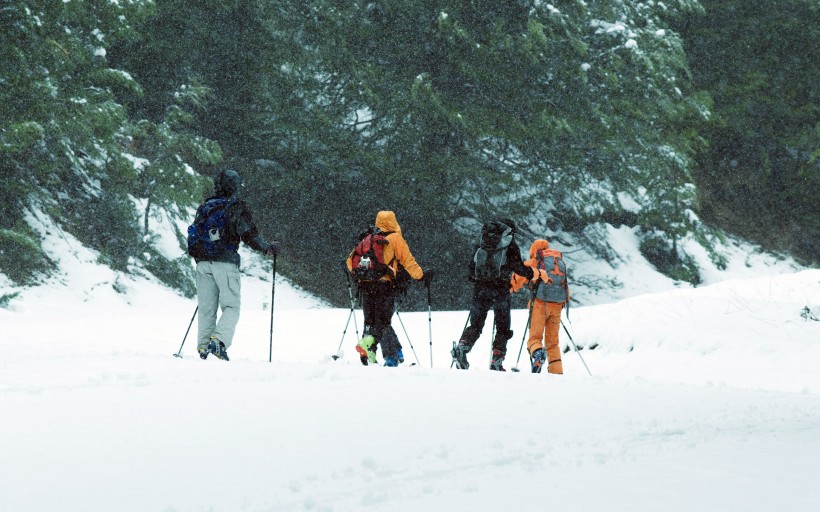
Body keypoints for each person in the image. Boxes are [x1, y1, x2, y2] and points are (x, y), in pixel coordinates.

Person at [190, 169, 279, 361]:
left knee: (207, 308)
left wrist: (202, 256)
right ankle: (219, 342)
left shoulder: (205, 207)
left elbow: (195, 235)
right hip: (226, 262)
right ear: (235, 186)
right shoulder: (236, 207)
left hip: (203, 264)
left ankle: (204, 347)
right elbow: (249, 235)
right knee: (231, 307)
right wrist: (267, 248)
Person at [346, 210, 430, 367]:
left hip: (365, 285)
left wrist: (363, 274)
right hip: (384, 286)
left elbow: (350, 262)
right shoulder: (395, 238)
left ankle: (381, 351)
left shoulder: (368, 238)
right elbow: (408, 261)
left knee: (371, 320)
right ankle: (371, 344)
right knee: (383, 320)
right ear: (394, 221)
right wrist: (421, 276)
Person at [451, 219, 533, 371]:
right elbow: (518, 267)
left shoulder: (482, 242)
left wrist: (480, 279)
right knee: (502, 328)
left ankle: (463, 346)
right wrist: (531, 273)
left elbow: (471, 270)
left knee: (476, 325)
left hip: (480, 289)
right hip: (500, 289)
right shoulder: (510, 244)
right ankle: (497, 358)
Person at [511, 239, 570, 374]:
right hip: (557, 306)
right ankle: (557, 372)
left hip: (539, 304)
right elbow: (565, 286)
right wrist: (560, 304)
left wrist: (509, 289)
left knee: (535, 338)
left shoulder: (535, 261)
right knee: (553, 343)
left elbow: (517, 277)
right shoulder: (559, 262)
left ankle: (538, 353)